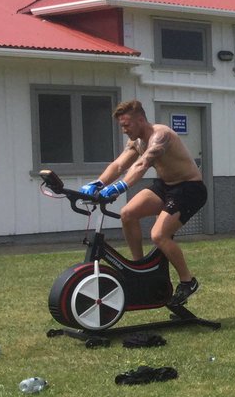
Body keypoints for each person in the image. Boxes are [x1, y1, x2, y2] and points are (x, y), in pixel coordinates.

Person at [81, 100, 207, 305]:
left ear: (140, 120)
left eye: (126, 125)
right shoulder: (137, 142)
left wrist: (119, 187)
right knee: (127, 214)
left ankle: (187, 281)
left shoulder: (161, 135)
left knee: (159, 235)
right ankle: (140, 269)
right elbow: (119, 165)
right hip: (166, 186)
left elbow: (142, 164)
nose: (124, 130)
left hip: (189, 188)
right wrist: (98, 183)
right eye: (122, 126)